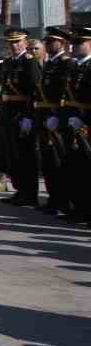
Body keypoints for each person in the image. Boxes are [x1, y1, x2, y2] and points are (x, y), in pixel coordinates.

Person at [0, 28, 41, 207]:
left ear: (25, 43)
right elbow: (1, 89)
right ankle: (20, 191)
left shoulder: (30, 63)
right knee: (11, 154)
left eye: (17, 42)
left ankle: (30, 194)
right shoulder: (7, 63)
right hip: (7, 112)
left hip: (22, 113)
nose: (14, 46)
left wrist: (29, 117)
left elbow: (35, 92)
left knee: (25, 155)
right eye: (11, 43)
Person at [35, 26, 73, 215]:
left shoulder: (66, 64)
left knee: (58, 161)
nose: (48, 44)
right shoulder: (49, 63)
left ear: (62, 43)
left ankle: (62, 201)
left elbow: (65, 93)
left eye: (52, 41)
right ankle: (53, 199)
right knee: (49, 161)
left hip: (56, 117)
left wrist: (57, 116)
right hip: (45, 116)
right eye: (47, 41)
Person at [69, 26, 91, 224]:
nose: (76, 46)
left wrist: (85, 120)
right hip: (76, 121)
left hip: (87, 123)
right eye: (74, 43)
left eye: (80, 42)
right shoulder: (77, 67)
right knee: (79, 168)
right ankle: (81, 209)